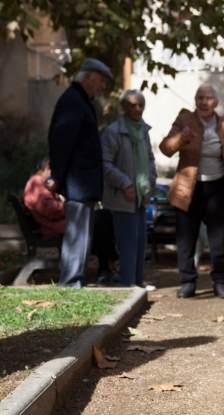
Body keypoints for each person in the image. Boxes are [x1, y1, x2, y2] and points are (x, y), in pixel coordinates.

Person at [159, 84, 224, 299]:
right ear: (195, 101)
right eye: (200, 98)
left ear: (215, 102)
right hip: (189, 187)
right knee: (187, 238)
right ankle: (187, 282)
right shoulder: (184, 120)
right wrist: (182, 139)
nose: (204, 102)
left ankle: (221, 282)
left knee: (219, 238)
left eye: (208, 98)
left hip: (219, 187)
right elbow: (165, 148)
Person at [46, 58, 113, 287]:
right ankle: (71, 283)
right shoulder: (74, 100)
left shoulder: (80, 99)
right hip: (78, 182)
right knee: (78, 236)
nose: (102, 86)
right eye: (101, 80)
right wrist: (57, 176)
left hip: (83, 182)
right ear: (88, 77)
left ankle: (76, 282)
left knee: (83, 236)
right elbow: (61, 141)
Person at [24, 153, 119, 285]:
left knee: (103, 218)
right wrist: (72, 206)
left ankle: (107, 266)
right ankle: (107, 267)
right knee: (102, 218)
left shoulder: (39, 183)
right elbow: (50, 210)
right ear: (49, 165)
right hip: (57, 229)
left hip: (63, 224)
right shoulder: (36, 184)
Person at [101, 89, 157, 290]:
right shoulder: (113, 131)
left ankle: (139, 281)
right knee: (127, 243)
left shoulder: (143, 131)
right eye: (133, 105)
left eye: (141, 104)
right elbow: (105, 164)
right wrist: (125, 183)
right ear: (124, 108)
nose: (138, 109)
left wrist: (151, 179)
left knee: (141, 241)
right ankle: (127, 283)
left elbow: (150, 158)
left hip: (141, 194)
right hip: (122, 196)